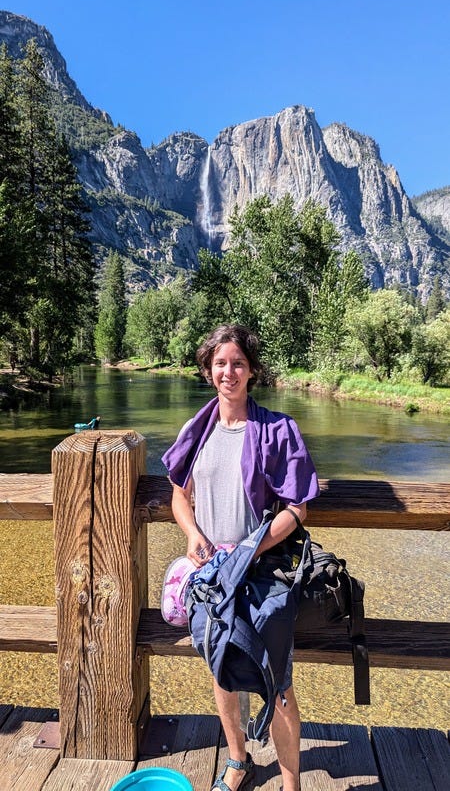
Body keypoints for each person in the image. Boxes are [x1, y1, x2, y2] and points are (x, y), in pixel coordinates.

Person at [162, 324, 319, 791]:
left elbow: (297, 509)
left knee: (278, 681)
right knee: (222, 669)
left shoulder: (277, 429)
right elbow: (178, 494)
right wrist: (191, 533)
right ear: (208, 370)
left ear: (251, 371)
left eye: (237, 363)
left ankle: (290, 781)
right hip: (212, 574)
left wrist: (253, 549)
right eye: (220, 363)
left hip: (259, 572)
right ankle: (237, 760)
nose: (228, 372)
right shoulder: (199, 428)